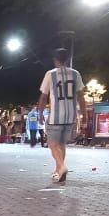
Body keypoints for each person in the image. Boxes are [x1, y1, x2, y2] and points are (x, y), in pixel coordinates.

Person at [35, 48, 86, 183]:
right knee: (61, 144)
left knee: (52, 144)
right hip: (70, 116)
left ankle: (62, 167)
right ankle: (59, 172)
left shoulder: (50, 74)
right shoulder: (76, 74)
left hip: (55, 117)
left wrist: (40, 113)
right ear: (67, 59)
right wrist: (84, 115)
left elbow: (43, 96)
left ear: (55, 60)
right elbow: (81, 96)